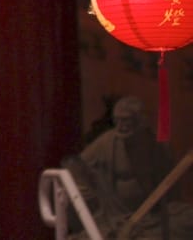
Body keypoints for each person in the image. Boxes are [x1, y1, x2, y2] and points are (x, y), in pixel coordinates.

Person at [64, 95, 193, 237]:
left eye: (126, 120)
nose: (121, 125)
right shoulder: (106, 143)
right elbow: (74, 164)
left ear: (139, 120)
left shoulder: (157, 146)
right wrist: (85, 190)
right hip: (117, 216)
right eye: (117, 120)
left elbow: (170, 186)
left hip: (152, 214)